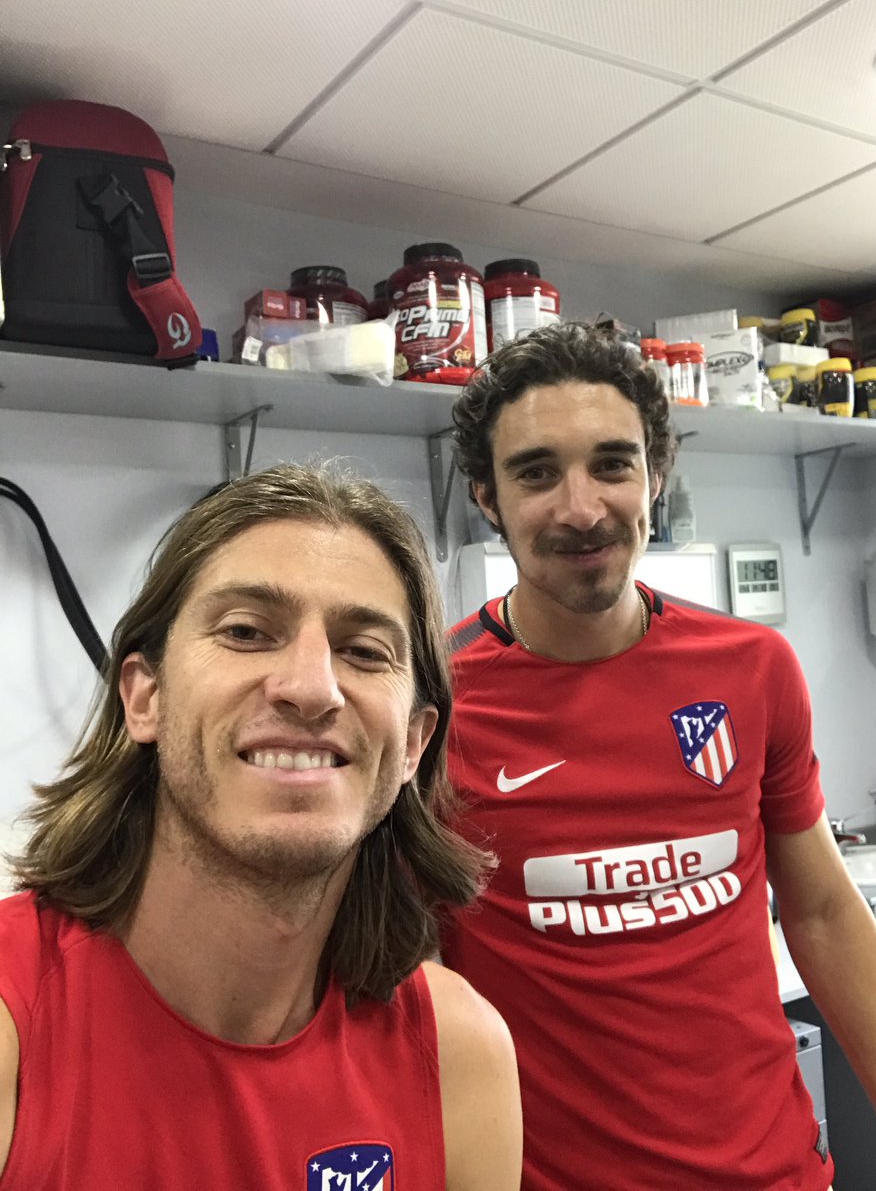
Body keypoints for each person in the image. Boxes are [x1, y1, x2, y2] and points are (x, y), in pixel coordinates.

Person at [444, 322, 876, 1191]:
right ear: (486, 498)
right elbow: (411, 983)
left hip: (776, 1170)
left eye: (611, 464)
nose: (581, 508)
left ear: (655, 477)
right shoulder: (429, 703)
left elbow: (819, 912)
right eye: (536, 473)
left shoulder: (753, 668)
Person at [0, 464, 522, 1190]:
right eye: (246, 632)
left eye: (363, 651)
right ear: (144, 699)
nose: (311, 688)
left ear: (412, 743)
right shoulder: (15, 1022)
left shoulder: (458, 1055)